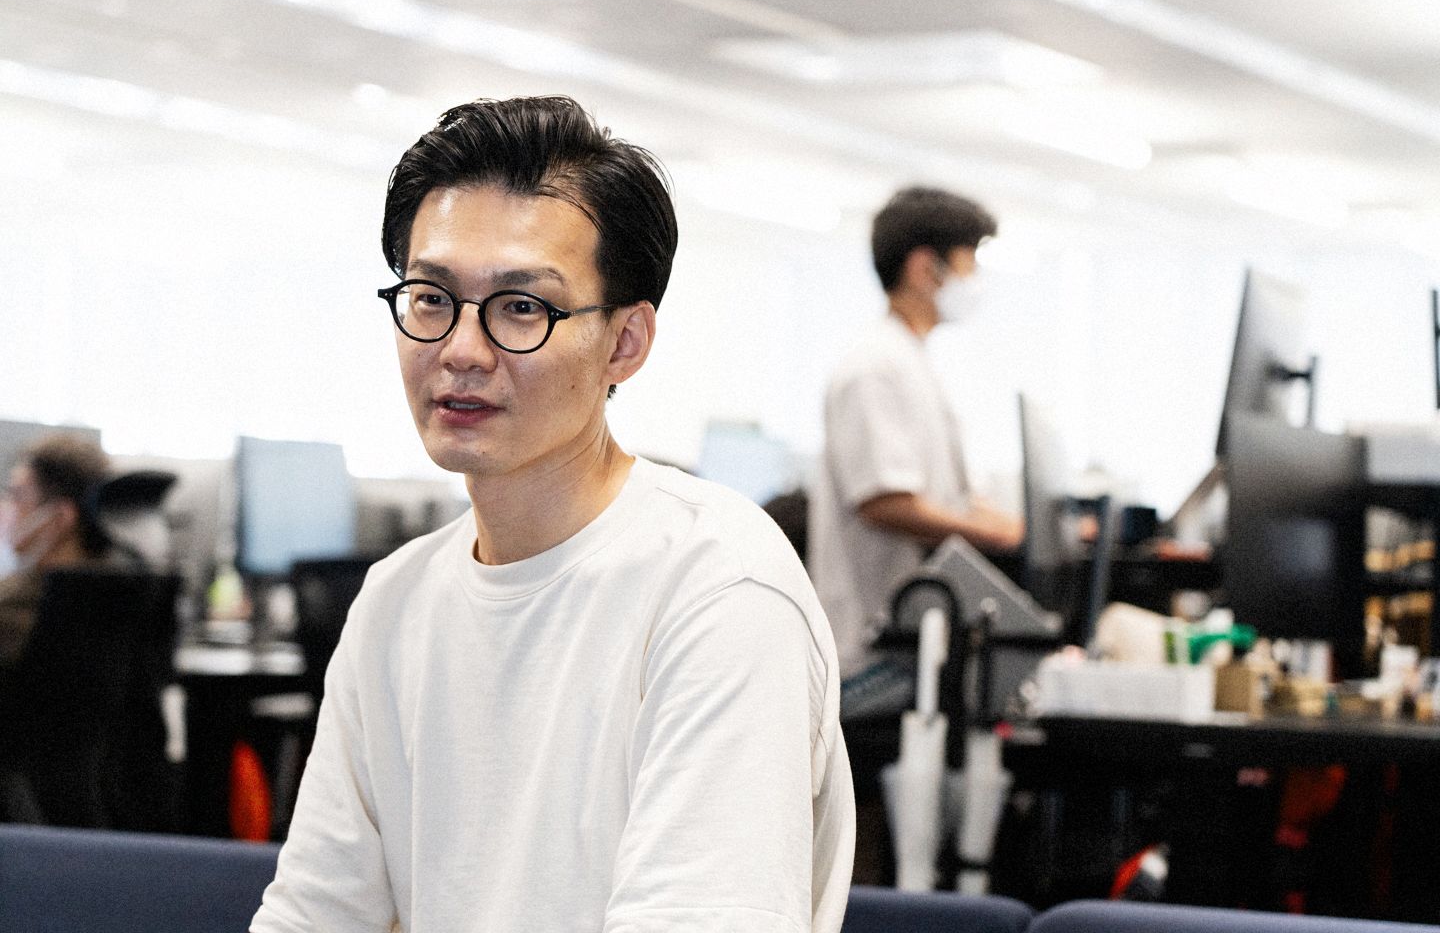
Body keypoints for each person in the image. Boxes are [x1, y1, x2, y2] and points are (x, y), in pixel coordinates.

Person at [252, 96, 854, 933]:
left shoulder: (718, 587)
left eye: (522, 308)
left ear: (625, 343)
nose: (462, 350)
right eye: (431, 297)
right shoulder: (395, 602)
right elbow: (314, 916)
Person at [809, 186, 1025, 724]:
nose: (974, 280)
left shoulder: (911, 360)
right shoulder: (874, 368)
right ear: (926, 268)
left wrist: (999, 520)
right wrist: (995, 534)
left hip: (912, 641)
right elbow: (884, 502)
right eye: (968, 263)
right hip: (871, 652)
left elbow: (940, 493)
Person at [0, 434, 115, 670]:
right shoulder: (126, 599)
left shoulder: (13, 610)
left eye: (17, 496)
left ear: (60, 518)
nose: (7, 507)